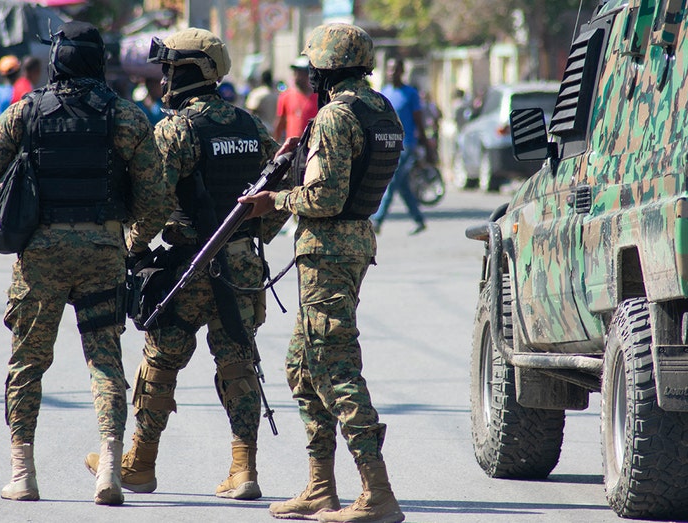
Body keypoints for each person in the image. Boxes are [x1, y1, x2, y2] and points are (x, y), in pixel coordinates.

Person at [83, 27, 290, 501]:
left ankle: (140, 464)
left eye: (169, 70)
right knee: (238, 364)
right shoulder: (249, 125)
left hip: (188, 267)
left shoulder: (176, 129)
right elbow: (279, 195)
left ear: (189, 72)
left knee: (159, 362)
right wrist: (248, 239)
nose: (163, 81)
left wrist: (132, 248)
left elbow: (153, 203)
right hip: (241, 269)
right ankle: (244, 471)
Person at [0, 21, 165, 506]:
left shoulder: (24, 112)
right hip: (103, 253)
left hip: (40, 257)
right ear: (100, 62)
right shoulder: (127, 117)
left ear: (55, 61)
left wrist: (14, 210)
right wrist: (128, 237)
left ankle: (23, 473)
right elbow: (156, 200)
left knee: (28, 362)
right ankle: (110, 468)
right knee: (104, 360)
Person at [238, 23, 406, 523]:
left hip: (329, 253)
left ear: (326, 69)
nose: (309, 73)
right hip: (350, 246)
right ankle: (320, 488)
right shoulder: (379, 109)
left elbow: (324, 198)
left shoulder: (336, 116)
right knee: (301, 366)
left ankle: (377, 492)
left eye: (313, 65)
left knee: (335, 369)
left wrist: (273, 201)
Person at [370, 58, 436, 235]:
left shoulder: (411, 94)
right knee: (403, 186)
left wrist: (426, 145)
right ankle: (419, 220)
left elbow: (418, 120)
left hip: (406, 146)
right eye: (390, 69)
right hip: (387, 145)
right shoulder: (385, 92)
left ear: (402, 72)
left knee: (391, 182)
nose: (392, 73)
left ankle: (377, 220)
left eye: (395, 69)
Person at [273, 56, 319, 142]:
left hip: (311, 145)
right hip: (292, 148)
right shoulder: (286, 96)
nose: (297, 76)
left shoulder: (318, 97)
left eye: (301, 73)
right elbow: (280, 123)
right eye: (296, 73)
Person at [244, 69, 278, 133]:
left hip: (260, 130)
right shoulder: (276, 95)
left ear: (261, 79)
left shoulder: (257, 93)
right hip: (273, 129)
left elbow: (250, 112)